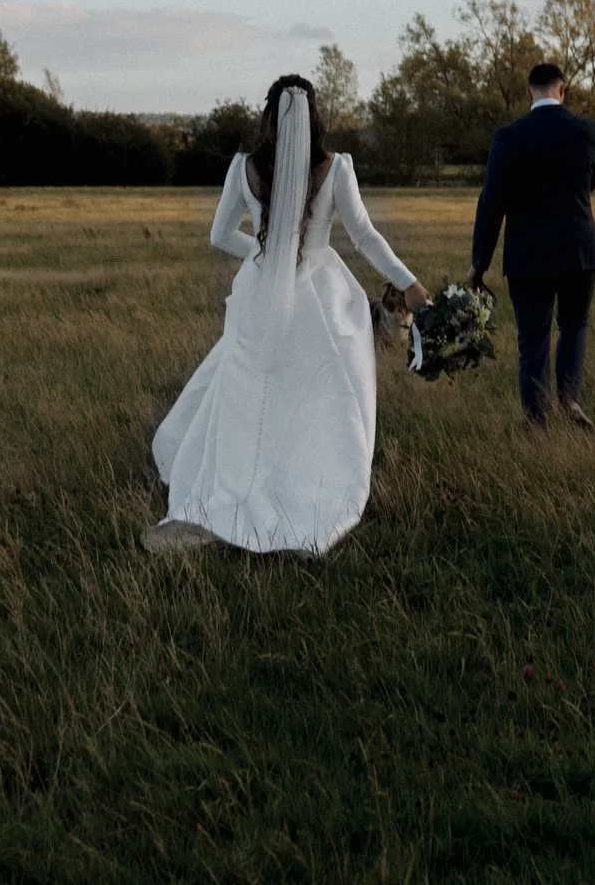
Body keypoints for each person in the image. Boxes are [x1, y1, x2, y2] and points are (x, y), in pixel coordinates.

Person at [146, 75, 429, 554]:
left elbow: (219, 236)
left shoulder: (244, 168)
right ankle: (312, 476)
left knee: (254, 387)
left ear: (269, 116)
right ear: (315, 117)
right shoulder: (335, 167)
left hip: (259, 289)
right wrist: (409, 283)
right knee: (322, 388)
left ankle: (240, 479)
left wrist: (265, 255)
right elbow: (363, 237)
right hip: (321, 289)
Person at [467, 61, 595, 430]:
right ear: (564, 88)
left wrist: (478, 264)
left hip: (527, 254)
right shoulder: (590, 131)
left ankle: (536, 419)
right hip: (580, 248)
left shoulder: (509, 136)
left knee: (533, 339)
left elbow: (491, 202)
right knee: (575, 325)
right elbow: (591, 182)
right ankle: (569, 399)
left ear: (530, 91)